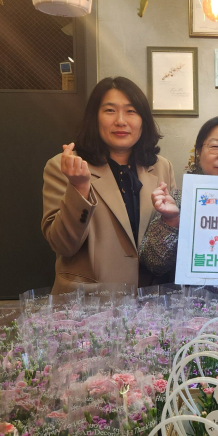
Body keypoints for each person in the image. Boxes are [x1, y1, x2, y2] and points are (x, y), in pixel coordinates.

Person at [42, 77, 174, 293]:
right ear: (94, 118)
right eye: (110, 111)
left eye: (131, 111)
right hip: (89, 302)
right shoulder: (64, 166)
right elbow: (63, 245)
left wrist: (172, 220)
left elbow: (165, 243)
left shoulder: (161, 167)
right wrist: (79, 188)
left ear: (143, 120)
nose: (121, 121)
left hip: (148, 301)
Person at [139, 116, 218, 278]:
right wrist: (171, 220)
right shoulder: (176, 201)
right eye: (215, 146)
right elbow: (153, 263)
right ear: (198, 151)